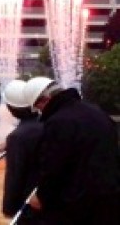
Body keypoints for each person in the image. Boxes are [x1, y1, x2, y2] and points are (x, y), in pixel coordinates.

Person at [24, 77, 120, 224]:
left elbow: (52, 167)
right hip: (109, 197)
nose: (39, 112)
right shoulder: (96, 111)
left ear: (44, 100)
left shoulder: (58, 122)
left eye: (38, 107)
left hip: (77, 205)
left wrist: (41, 196)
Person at [0, 79, 43, 223]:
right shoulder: (49, 123)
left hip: (28, 204)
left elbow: (15, 175)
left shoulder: (18, 137)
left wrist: (9, 207)